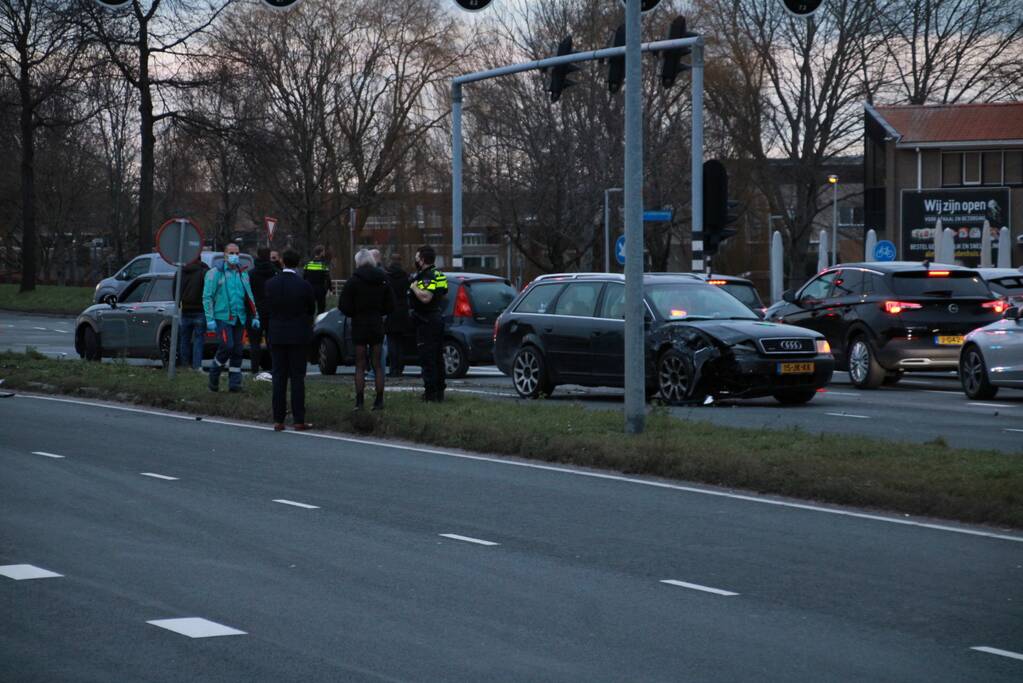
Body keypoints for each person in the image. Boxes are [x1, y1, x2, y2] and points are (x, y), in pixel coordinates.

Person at [265, 249, 316, 431]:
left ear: (282, 262)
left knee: (278, 377)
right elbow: (311, 308)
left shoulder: (271, 284)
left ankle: (278, 419)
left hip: (277, 334)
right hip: (298, 335)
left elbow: (267, 308)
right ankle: (298, 419)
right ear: (298, 263)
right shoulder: (303, 285)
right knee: (297, 378)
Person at [339, 248, 394, 410]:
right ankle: (379, 400)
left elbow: (343, 305)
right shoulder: (383, 279)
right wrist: (379, 312)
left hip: (359, 324)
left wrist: (354, 313)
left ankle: (360, 401)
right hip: (376, 324)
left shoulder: (353, 281)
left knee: (360, 365)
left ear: (358, 262)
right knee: (377, 364)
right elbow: (391, 305)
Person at [203, 243, 260, 392]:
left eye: (237, 253)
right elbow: (207, 297)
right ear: (225, 255)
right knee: (227, 346)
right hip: (223, 317)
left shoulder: (243, 273)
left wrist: (256, 315)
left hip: (239, 318)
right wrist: (209, 318)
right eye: (231, 253)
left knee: (238, 351)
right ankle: (213, 376)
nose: (235, 256)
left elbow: (249, 295)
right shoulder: (215, 273)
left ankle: (235, 385)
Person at [408, 245, 447, 402]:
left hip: (427, 321)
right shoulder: (439, 274)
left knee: (428, 358)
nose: (416, 261)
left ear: (422, 260)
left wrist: (414, 287)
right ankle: (439, 392)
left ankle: (430, 394)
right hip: (436, 318)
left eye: (417, 258)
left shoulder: (426, 276)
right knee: (438, 357)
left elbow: (426, 297)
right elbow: (443, 292)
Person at [247, 247, 277, 376]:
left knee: (255, 343)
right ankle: (275, 368)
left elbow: (246, 294)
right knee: (272, 342)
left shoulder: (251, 274)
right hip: (272, 312)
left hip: (255, 312)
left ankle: (254, 369)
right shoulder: (274, 272)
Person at [177, 258, 209, 370]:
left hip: (185, 310)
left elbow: (174, 289)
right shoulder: (203, 271)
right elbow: (208, 290)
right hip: (200, 310)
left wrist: (178, 304)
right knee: (199, 340)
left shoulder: (181, 271)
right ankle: (197, 366)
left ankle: (185, 365)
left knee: (184, 340)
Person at [384, 252, 411, 377]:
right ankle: (400, 368)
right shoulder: (406, 276)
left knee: (391, 342)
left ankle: (393, 368)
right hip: (403, 311)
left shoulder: (387, 276)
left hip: (390, 310)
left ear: (391, 261)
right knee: (401, 342)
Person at [303, 245, 332, 315]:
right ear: (321, 253)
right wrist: (330, 289)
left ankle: (310, 324)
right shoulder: (323, 265)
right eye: (324, 251)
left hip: (309, 289)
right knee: (321, 310)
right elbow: (328, 278)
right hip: (320, 289)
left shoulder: (308, 264)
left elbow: (304, 277)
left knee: (309, 310)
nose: (324, 253)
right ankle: (319, 324)